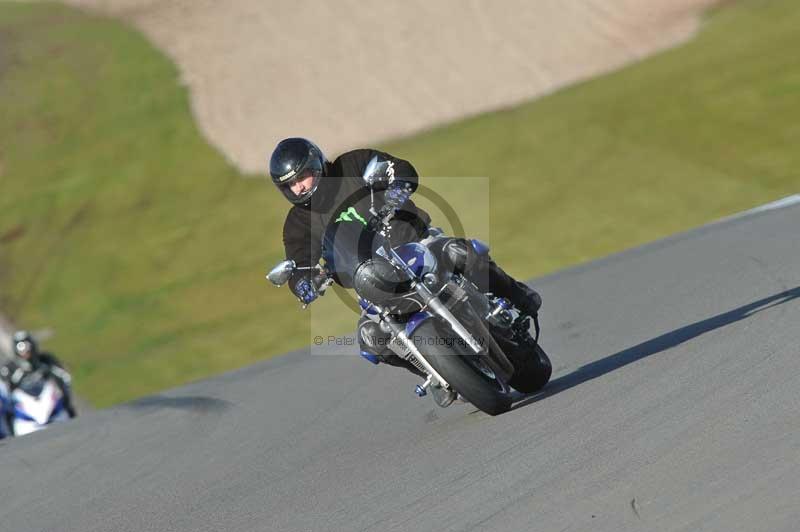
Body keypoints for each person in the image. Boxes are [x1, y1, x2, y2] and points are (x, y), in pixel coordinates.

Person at [269, 138, 541, 403]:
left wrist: (398, 186)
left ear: (317, 165)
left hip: (416, 245)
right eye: (290, 184)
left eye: (302, 176)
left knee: (460, 253)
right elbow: (298, 262)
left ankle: (519, 295)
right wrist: (303, 282)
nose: (299, 187)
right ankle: (436, 372)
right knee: (370, 338)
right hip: (371, 281)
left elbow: (398, 167)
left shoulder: (352, 164)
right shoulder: (297, 224)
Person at [0, 331, 76, 433]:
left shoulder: (45, 360)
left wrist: (62, 386)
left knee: (65, 401)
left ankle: (72, 417)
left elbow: (64, 376)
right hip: (23, 405)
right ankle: (10, 435)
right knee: (6, 411)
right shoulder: (8, 368)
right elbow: (4, 390)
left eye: (28, 351)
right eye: (22, 352)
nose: (26, 355)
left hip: (47, 397)